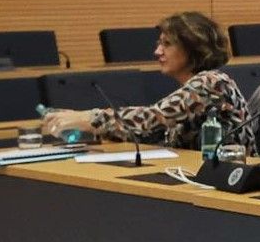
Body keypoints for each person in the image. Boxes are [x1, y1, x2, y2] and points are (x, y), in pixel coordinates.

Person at [40, 12, 249, 149]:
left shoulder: (212, 82)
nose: (157, 51)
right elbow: (151, 133)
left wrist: (88, 118)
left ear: (192, 47)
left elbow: (153, 119)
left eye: (167, 44)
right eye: (159, 44)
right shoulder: (195, 86)